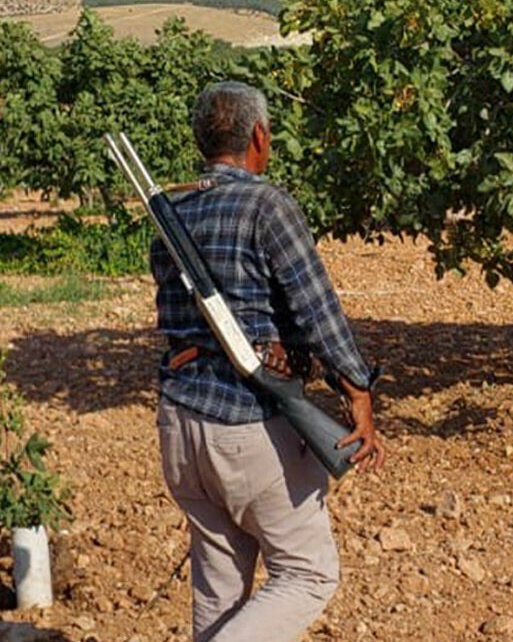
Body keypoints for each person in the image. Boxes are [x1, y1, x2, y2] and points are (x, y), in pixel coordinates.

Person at [151, 81, 384, 641]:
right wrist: (357, 391)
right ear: (259, 135)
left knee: (219, 590)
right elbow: (317, 308)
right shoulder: (266, 205)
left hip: (180, 423)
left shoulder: (171, 214)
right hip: (246, 422)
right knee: (308, 573)